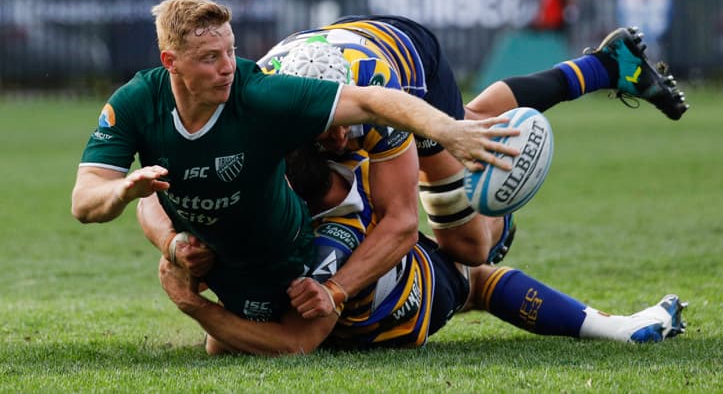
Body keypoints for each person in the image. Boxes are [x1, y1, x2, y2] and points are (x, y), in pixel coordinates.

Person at [70, 0, 520, 323]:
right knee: (224, 345)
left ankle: (488, 239)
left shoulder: (262, 92)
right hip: (233, 248)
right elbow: (87, 200)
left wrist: (447, 129)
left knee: (471, 247)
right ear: (171, 62)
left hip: (295, 244)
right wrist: (132, 200)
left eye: (231, 51)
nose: (228, 66)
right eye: (210, 57)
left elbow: (372, 101)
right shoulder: (134, 103)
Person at [157, 143, 687, 356]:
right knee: (476, 275)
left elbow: (255, 343)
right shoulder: (366, 163)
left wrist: (193, 295)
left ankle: (616, 327)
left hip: (377, 309)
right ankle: (615, 327)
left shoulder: (305, 237)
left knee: (471, 271)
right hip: (412, 300)